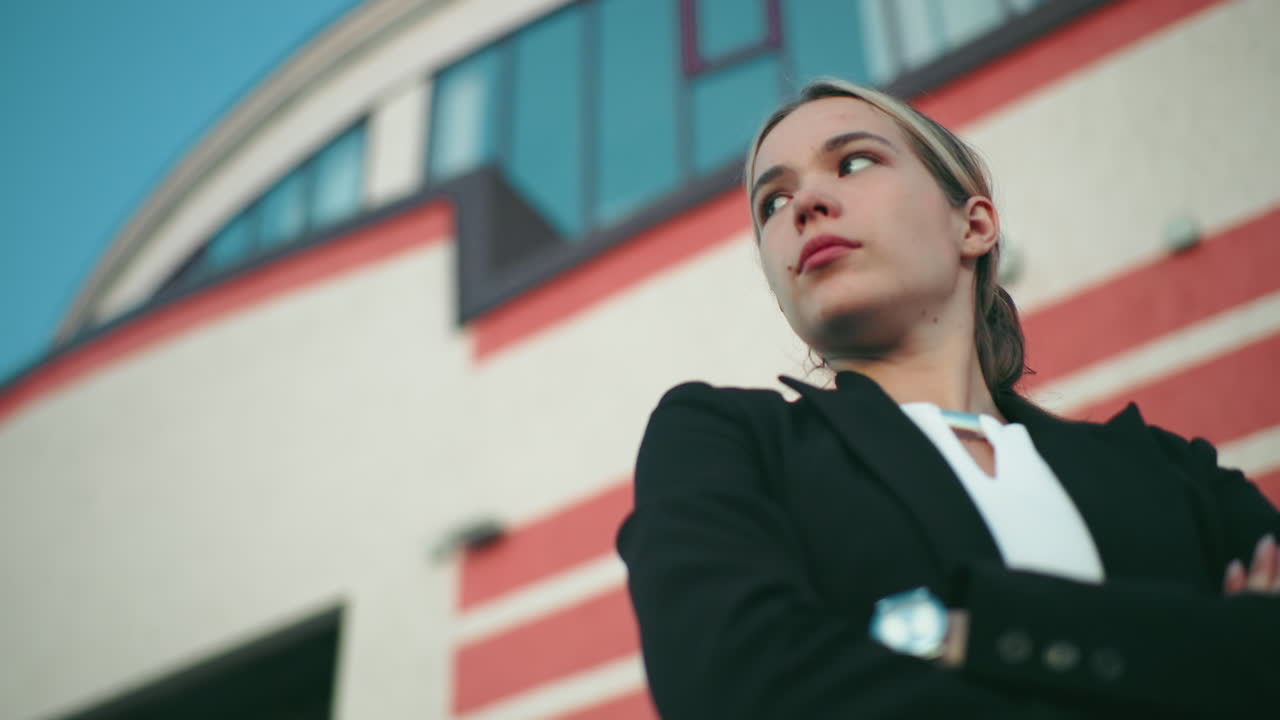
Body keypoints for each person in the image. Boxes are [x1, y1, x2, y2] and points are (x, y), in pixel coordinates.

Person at [615, 79, 1280, 719]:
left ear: (975, 224)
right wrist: (1210, 651)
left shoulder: (1172, 472)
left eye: (852, 162)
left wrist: (963, 631)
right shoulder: (720, 443)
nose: (804, 204)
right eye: (771, 202)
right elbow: (736, 686)